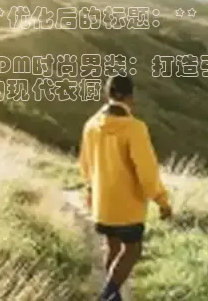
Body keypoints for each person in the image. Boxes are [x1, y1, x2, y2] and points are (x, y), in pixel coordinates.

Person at [78, 74, 173, 301]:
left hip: (102, 204)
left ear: (107, 94)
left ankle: (114, 297)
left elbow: (85, 165)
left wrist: (90, 190)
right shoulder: (134, 128)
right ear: (130, 97)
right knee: (132, 251)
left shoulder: (91, 126)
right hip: (128, 206)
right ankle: (106, 295)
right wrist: (161, 200)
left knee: (113, 248)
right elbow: (147, 171)